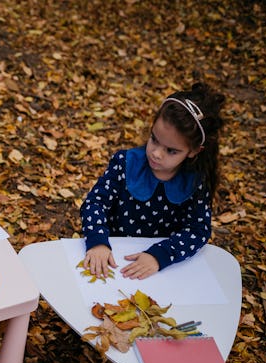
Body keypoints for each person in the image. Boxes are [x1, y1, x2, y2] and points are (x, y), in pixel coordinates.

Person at [81, 83, 225, 280]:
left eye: (171, 150)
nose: (156, 153)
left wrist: (160, 255)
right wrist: (98, 241)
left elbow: (198, 230)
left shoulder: (195, 183)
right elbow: (95, 203)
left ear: (193, 151)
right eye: (154, 139)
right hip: (113, 257)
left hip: (160, 273)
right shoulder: (125, 163)